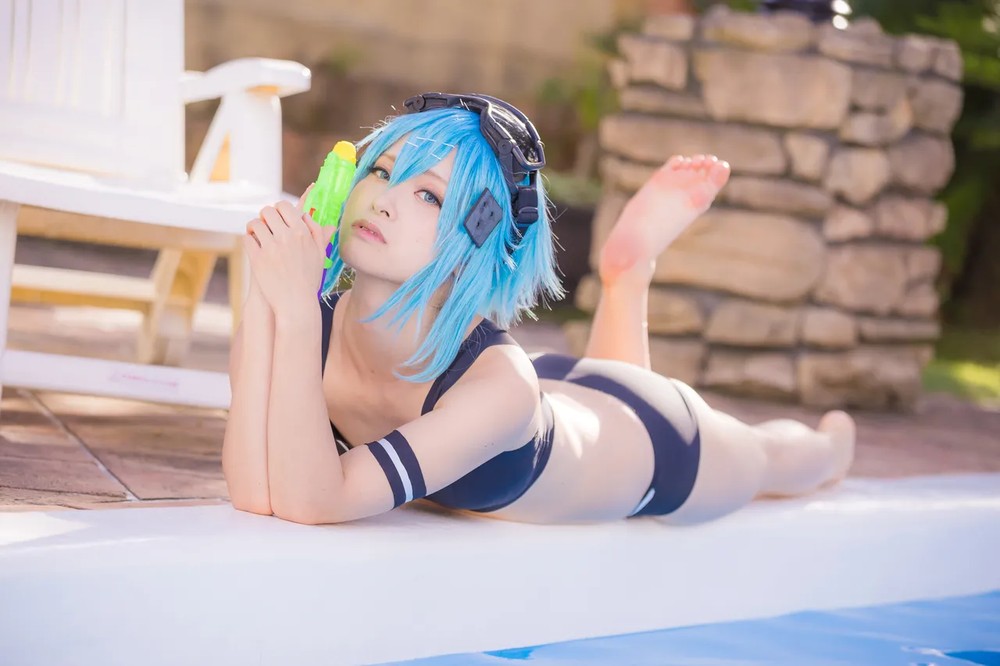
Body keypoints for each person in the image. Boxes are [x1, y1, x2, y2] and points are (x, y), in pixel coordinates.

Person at [222, 92, 855, 526]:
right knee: (608, 383)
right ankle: (625, 276)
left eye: (428, 196)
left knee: (776, 462)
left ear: (477, 237)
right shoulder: (303, 316)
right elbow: (254, 493)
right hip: (556, 392)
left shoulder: (499, 390)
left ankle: (833, 444)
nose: (384, 200)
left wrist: (293, 315)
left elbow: (314, 502)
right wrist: (268, 295)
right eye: (382, 172)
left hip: (655, 443)